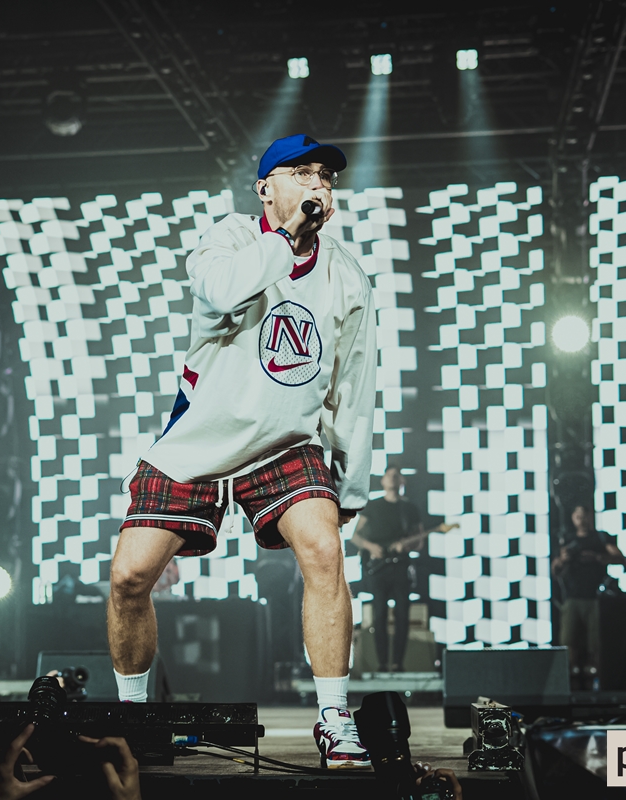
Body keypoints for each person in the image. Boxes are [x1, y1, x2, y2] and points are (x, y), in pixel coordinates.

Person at [107, 134, 376, 768]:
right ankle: (134, 719)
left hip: (286, 441)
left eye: (326, 177)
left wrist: (351, 485)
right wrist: (286, 237)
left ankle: (335, 718)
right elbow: (223, 291)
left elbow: (355, 385)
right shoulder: (226, 239)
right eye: (302, 173)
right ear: (265, 189)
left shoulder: (347, 274)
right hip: (200, 437)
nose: (319, 185)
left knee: (324, 551)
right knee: (128, 578)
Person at [351, 466, 423, 673]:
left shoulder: (409, 508)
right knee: (379, 615)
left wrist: (406, 546)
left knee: (402, 616)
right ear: (382, 481)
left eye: (396, 475)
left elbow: (419, 541)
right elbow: (356, 536)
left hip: (400, 568)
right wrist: (371, 547)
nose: (392, 478)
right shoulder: (373, 506)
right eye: (389, 475)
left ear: (402, 481)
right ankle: (382, 663)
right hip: (378, 570)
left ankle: (398, 664)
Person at [551, 505, 624, 690]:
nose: (581, 520)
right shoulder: (567, 540)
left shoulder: (600, 538)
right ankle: (569, 684)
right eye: (578, 516)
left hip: (595, 598)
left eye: (584, 516)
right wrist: (563, 559)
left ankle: (598, 683)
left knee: (596, 645)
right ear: (572, 518)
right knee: (568, 643)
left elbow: (621, 559)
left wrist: (598, 557)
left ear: (590, 517)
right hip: (572, 598)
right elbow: (555, 570)